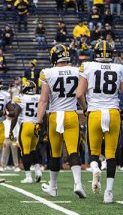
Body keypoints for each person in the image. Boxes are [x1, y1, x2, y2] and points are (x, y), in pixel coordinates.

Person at [77, 40, 123, 203]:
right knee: (110, 154)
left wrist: (85, 109)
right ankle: (108, 193)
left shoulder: (88, 66)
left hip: (95, 112)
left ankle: (94, 168)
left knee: (93, 151)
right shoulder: (119, 68)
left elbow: (79, 94)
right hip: (113, 112)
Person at [36, 44, 86, 198]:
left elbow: (43, 101)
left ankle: (53, 187)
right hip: (71, 115)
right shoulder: (78, 71)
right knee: (73, 150)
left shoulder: (47, 73)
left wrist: (38, 121)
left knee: (55, 153)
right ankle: (78, 183)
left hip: (55, 116)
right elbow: (81, 94)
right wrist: (85, 108)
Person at [8, 78, 42, 183]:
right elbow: (44, 114)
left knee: (25, 151)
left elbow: (16, 115)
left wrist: (11, 129)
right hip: (36, 126)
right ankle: (38, 171)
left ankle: (28, 177)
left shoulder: (22, 98)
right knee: (34, 149)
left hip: (26, 126)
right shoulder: (39, 97)